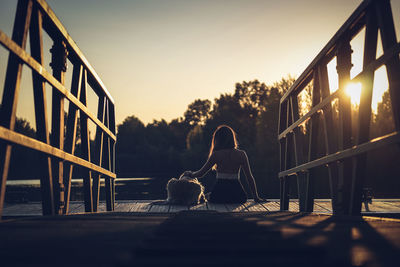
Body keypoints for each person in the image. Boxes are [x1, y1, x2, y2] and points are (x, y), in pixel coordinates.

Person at [183, 125, 265, 203]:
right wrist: (256, 197)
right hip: (238, 196)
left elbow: (200, 173)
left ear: (218, 139)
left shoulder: (216, 155)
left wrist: (190, 174)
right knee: (210, 195)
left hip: (219, 195)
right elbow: (249, 177)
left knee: (207, 196)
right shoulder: (241, 154)